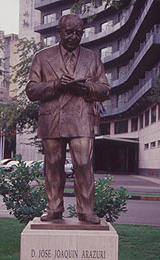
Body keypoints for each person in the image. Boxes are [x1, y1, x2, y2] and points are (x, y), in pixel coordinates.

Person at [26, 13, 110, 224]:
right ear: (59, 32)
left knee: (83, 163)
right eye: (69, 32)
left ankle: (86, 210)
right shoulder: (42, 57)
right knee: (53, 163)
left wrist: (87, 87)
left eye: (78, 32)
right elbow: (31, 90)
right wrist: (56, 85)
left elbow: (105, 89)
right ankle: (54, 208)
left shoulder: (92, 57)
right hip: (52, 117)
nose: (74, 36)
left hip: (81, 117)